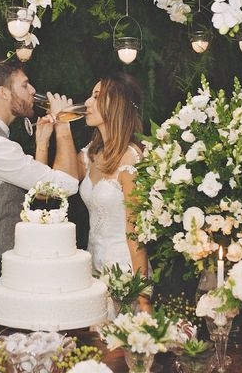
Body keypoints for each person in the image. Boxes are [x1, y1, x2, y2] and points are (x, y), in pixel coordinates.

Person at [0, 61, 79, 330]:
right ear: (3, 93)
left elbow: (34, 193)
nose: (33, 90)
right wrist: (63, 123)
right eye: (24, 84)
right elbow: (65, 186)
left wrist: (42, 143)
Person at [77, 72, 151, 311]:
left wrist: (144, 301)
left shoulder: (131, 158)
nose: (87, 102)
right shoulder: (90, 154)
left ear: (116, 104)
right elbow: (56, 184)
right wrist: (58, 130)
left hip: (124, 276)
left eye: (96, 96)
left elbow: (135, 233)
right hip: (92, 274)